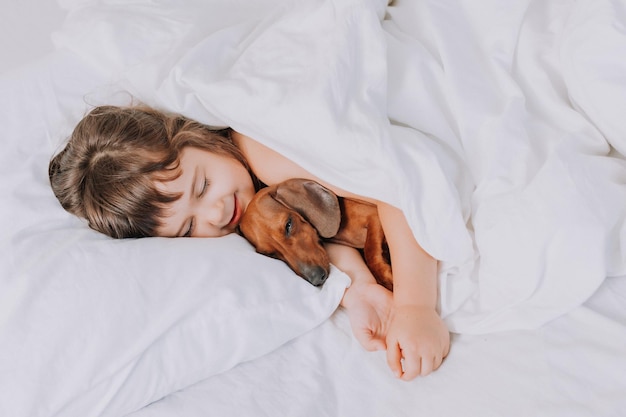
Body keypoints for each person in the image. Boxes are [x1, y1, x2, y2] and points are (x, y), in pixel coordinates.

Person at [49, 105, 450, 380]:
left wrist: (416, 307)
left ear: (196, 138)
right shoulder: (245, 208)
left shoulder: (260, 153)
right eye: (189, 229)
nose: (215, 213)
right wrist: (358, 289)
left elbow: (398, 185)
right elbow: (325, 227)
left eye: (202, 185)